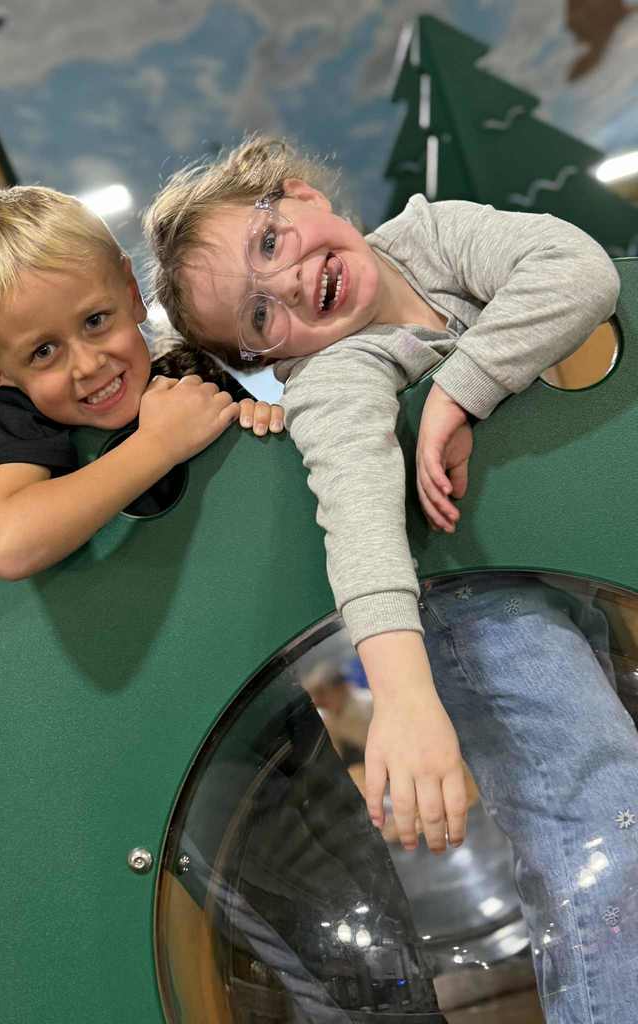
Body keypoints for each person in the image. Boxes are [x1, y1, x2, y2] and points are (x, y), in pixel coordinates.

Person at [144, 136, 638, 1022]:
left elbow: (578, 271)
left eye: (269, 243)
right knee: (601, 819)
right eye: (259, 319)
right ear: (270, 360)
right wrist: (403, 700)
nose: (288, 284)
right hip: (469, 615)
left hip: (555, 581)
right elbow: (362, 523)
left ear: (296, 193)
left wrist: (457, 392)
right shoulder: (334, 375)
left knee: (595, 808)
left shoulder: (431, 237)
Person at [0, 185, 283, 579]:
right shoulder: (18, 422)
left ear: (131, 294)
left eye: (95, 321)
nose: (87, 365)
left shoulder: (195, 377)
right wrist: (158, 444)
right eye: (44, 351)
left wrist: (255, 429)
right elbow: (9, 545)